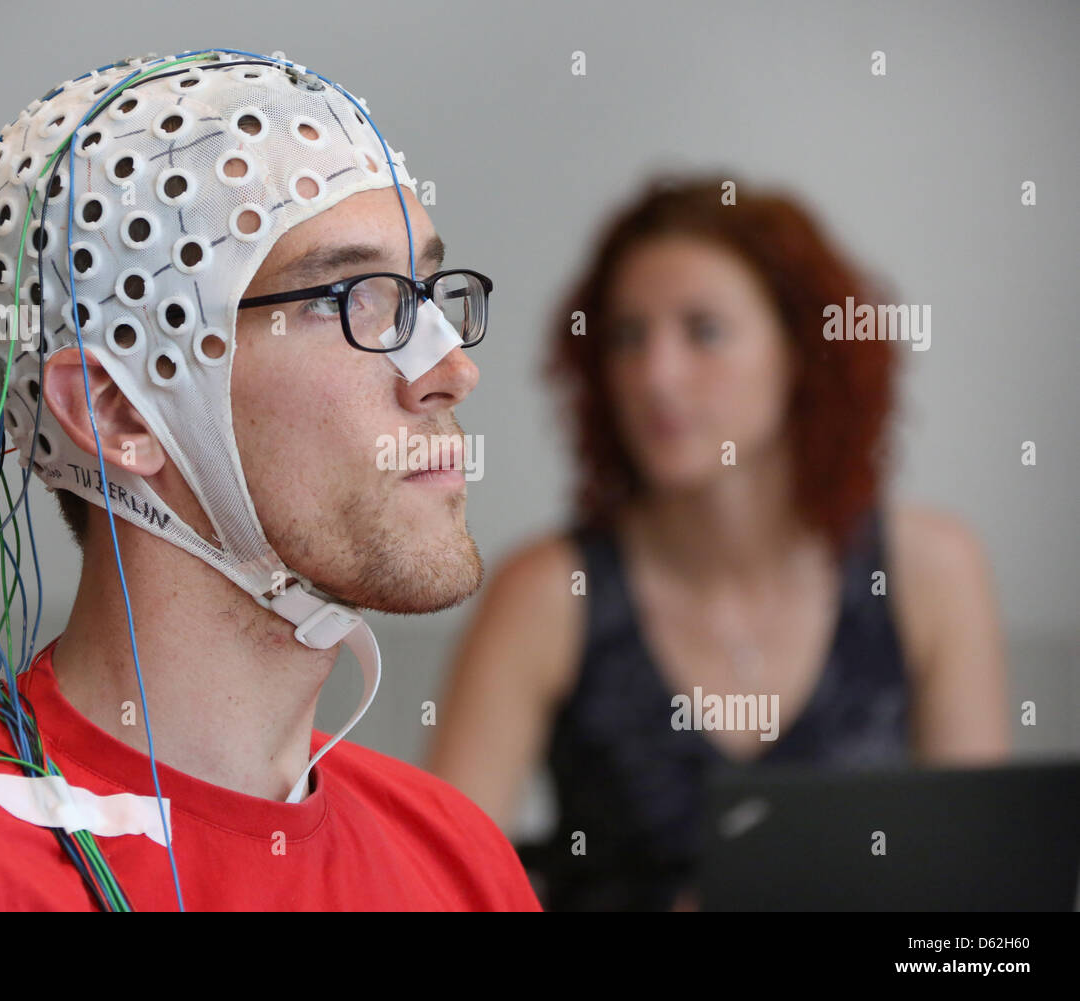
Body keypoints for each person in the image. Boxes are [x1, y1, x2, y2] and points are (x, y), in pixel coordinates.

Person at [0, 50, 539, 911]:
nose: (448, 367)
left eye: (426, 289)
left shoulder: (454, 855)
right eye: (348, 294)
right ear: (118, 412)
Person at [426, 174, 1010, 911]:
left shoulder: (932, 570)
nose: (657, 376)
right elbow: (434, 885)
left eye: (703, 331)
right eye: (629, 337)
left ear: (799, 351)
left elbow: (986, 917)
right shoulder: (546, 592)